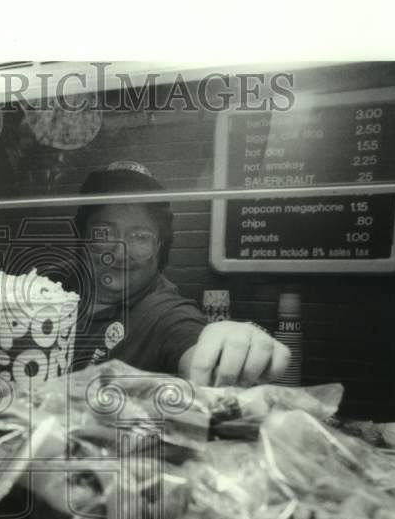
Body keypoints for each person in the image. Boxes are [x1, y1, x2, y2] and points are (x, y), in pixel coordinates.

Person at [70, 161, 289, 387]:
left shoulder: (164, 313)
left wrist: (227, 351)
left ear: (160, 248)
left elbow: (192, 347)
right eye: (103, 233)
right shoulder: (53, 286)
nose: (119, 251)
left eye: (140, 237)